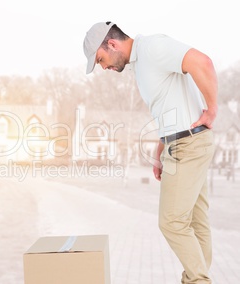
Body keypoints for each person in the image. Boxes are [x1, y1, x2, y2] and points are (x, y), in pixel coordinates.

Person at [83, 22, 217, 283]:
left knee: (171, 222)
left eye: (100, 60)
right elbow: (169, 109)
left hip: (189, 144)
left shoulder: (152, 47)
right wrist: (160, 151)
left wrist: (212, 110)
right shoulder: (140, 64)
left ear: (111, 44)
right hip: (182, 143)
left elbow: (203, 62)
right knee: (195, 221)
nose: (104, 68)